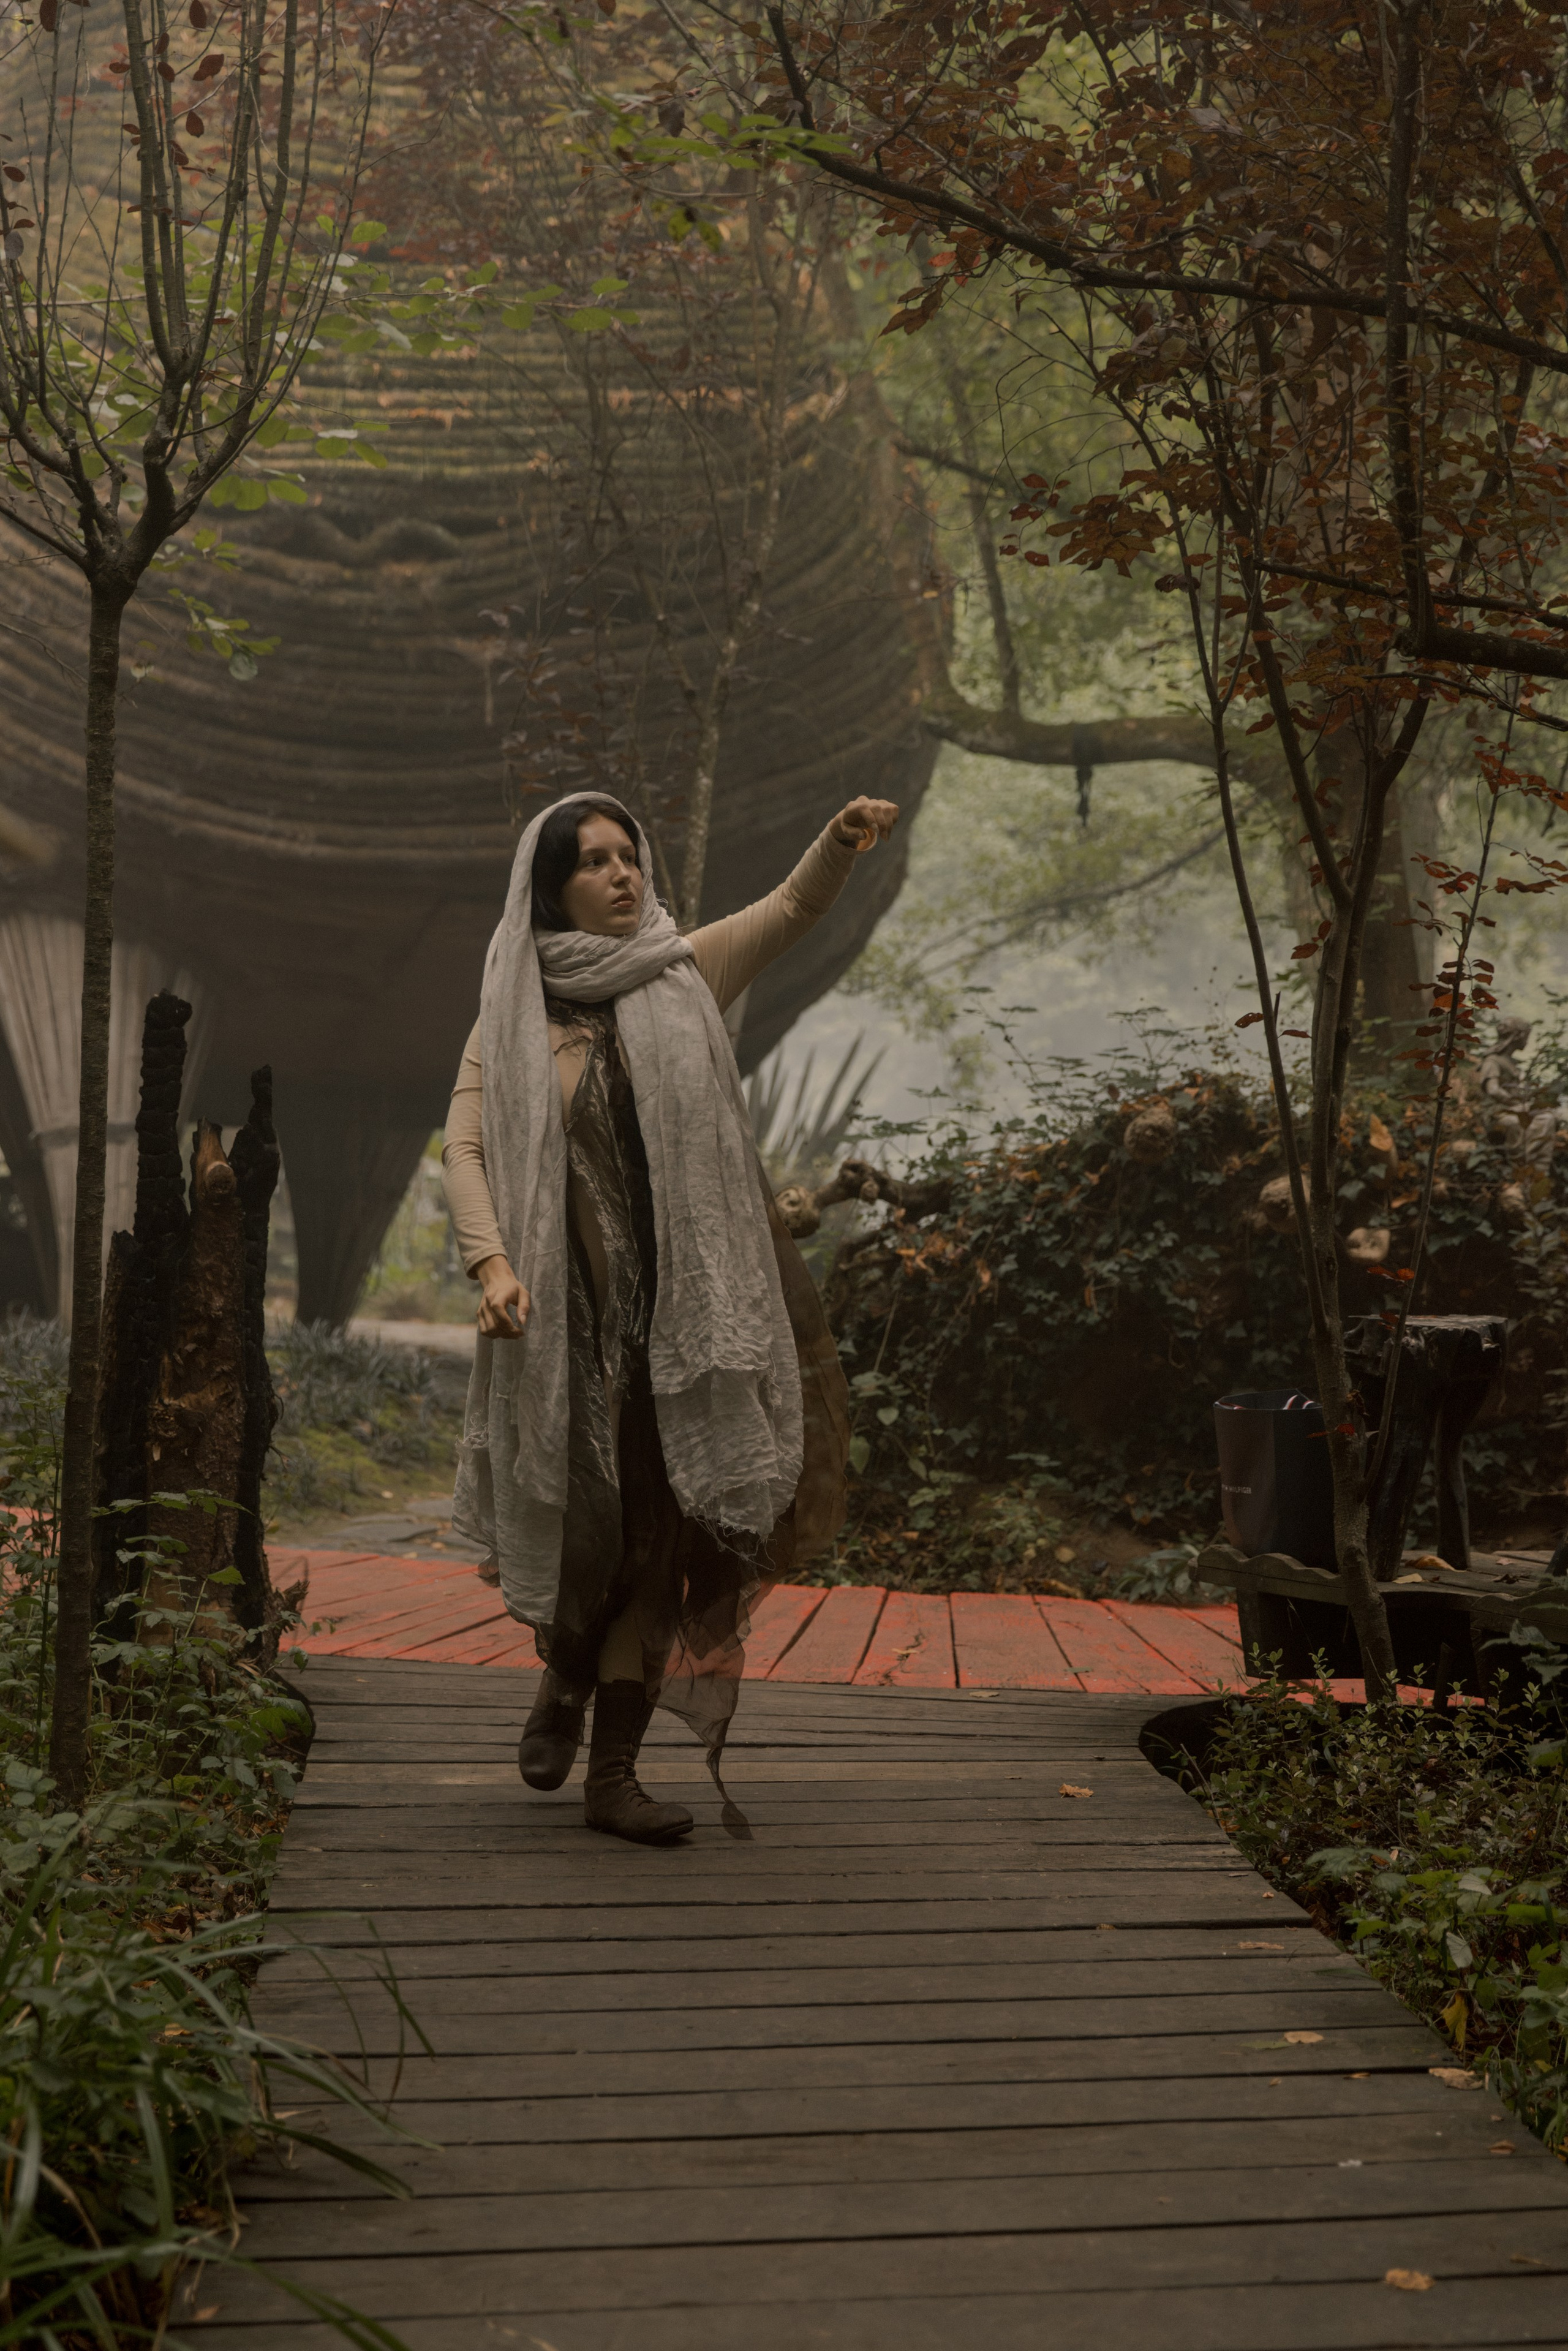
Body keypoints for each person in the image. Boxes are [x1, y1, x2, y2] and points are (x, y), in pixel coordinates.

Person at [440, 788, 899, 1844]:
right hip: (565, 1324)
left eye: (628, 855)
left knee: (658, 1538)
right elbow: (467, 1145)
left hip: (680, 1327)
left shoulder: (680, 970)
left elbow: (789, 908)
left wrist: (835, 840)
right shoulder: (510, 1014)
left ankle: (613, 1776)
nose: (622, 874)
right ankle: (564, 1673)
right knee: (589, 1529)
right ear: (552, 888)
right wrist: (493, 1264)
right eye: (594, 862)